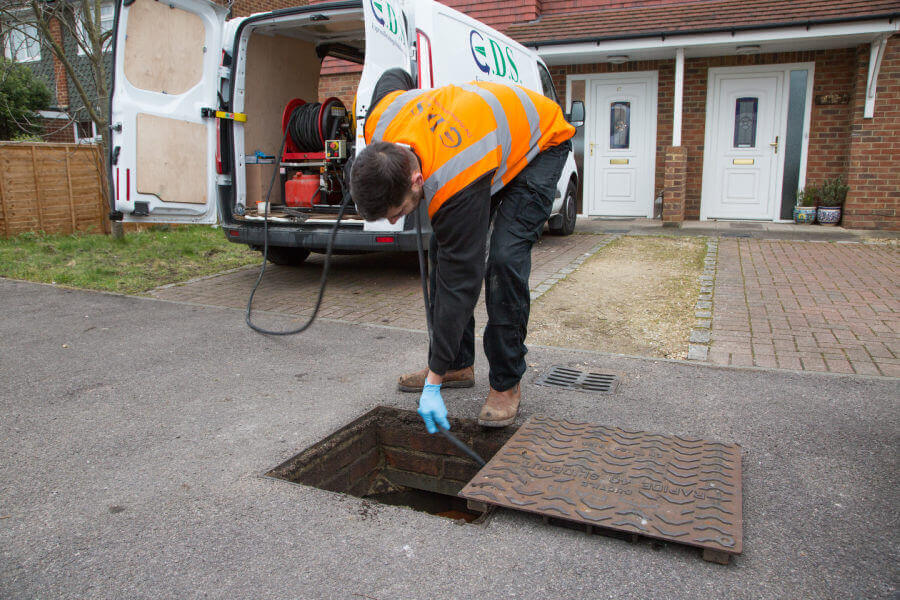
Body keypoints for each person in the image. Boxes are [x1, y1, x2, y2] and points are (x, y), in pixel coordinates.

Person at [350, 69, 575, 433]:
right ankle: (456, 363)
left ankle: (505, 382)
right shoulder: (381, 119)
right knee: (441, 247)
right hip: (489, 143)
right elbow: (395, 76)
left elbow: (460, 283)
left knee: (504, 258)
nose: (394, 222)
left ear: (417, 180)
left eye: (397, 212)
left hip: (540, 145)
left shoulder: (456, 175)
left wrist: (432, 383)